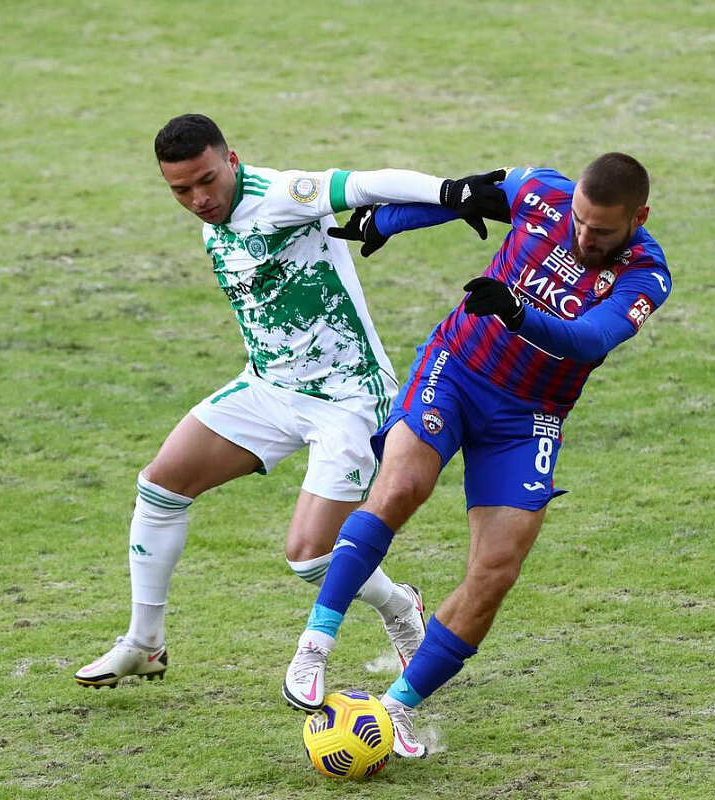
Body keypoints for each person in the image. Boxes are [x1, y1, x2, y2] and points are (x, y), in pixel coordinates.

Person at [74, 114, 496, 688]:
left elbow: (366, 184)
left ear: (232, 160)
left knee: (309, 557)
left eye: (206, 181)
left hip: (347, 397)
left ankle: (399, 607)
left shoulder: (281, 194)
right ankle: (144, 643)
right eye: (181, 190)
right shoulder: (214, 216)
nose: (199, 199)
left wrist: (450, 192)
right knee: (161, 486)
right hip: (270, 387)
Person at [281, 154, 671, 758]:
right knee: (402, 486)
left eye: (603, 231)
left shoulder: (647, 273)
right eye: (580, 222)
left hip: (528, 417)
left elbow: (591, 339)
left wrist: (518, 313)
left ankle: (393, 711)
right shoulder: (542, 192)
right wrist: (386, 222)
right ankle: (315, 644)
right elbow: (464, 196)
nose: (585, 237)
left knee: (496, 571)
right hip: (457, 369)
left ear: (638, 218)